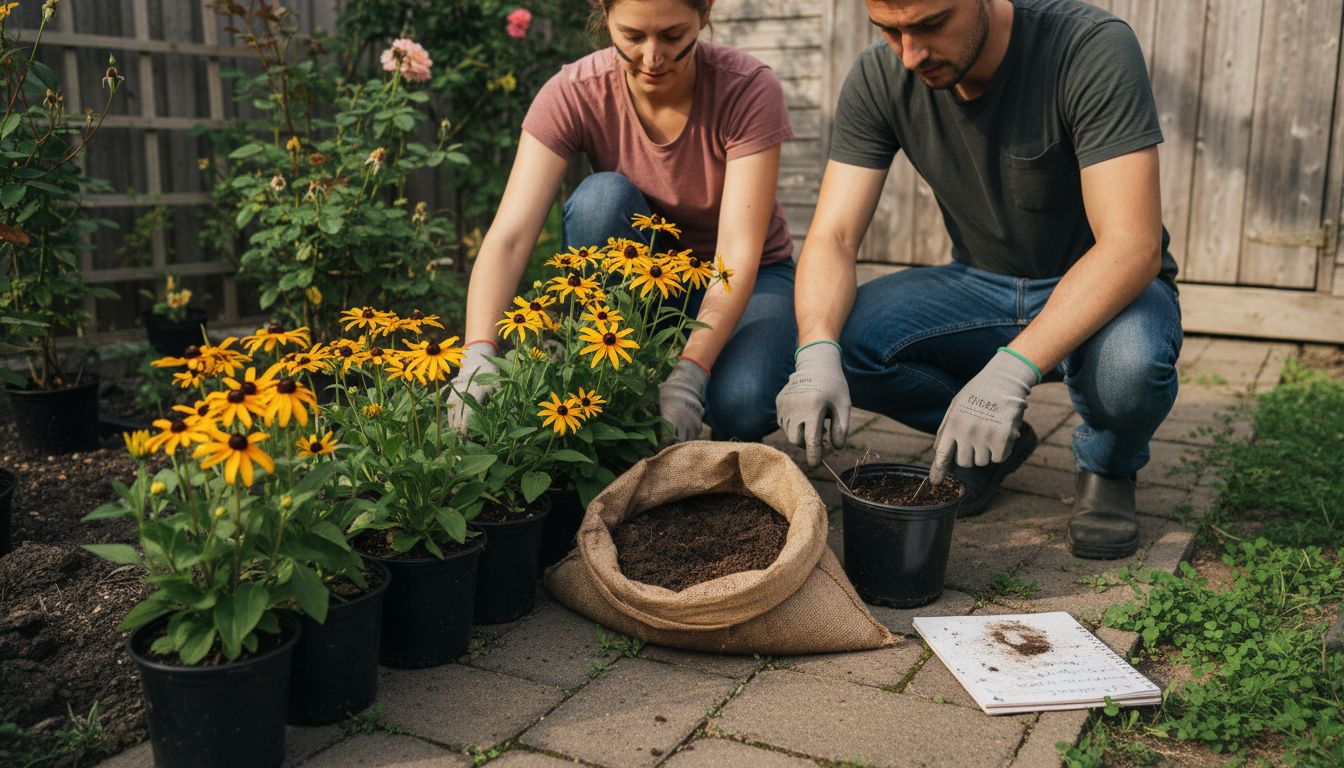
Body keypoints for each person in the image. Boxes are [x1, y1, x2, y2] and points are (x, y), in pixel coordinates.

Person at [775, 0, 1182, 559]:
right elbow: (835, 237)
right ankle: (987, 442)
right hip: (980, 284)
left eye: (931, 24)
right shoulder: (879, 75)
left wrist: (1011, 371)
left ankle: (1108, 466)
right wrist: (816, 348)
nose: (911, 53)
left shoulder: (1088, 46)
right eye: (890, 30)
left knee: (1130, 368)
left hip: (1106, 287)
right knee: (836, 340)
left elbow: (1131, 247)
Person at [449, 0, 797, 443]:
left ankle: (705, 376)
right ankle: (612, 379)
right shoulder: (575, 91)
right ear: (604, 15)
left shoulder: (746, 88)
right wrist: (478, 354)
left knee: (742, 408)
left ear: (704, 12)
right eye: (632, 37)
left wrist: (690, 374)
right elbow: (510, 238)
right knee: (600, 199)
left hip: (747, 277)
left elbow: (737, 255)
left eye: (672, 36)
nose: (652, 58)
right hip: (643, 278)